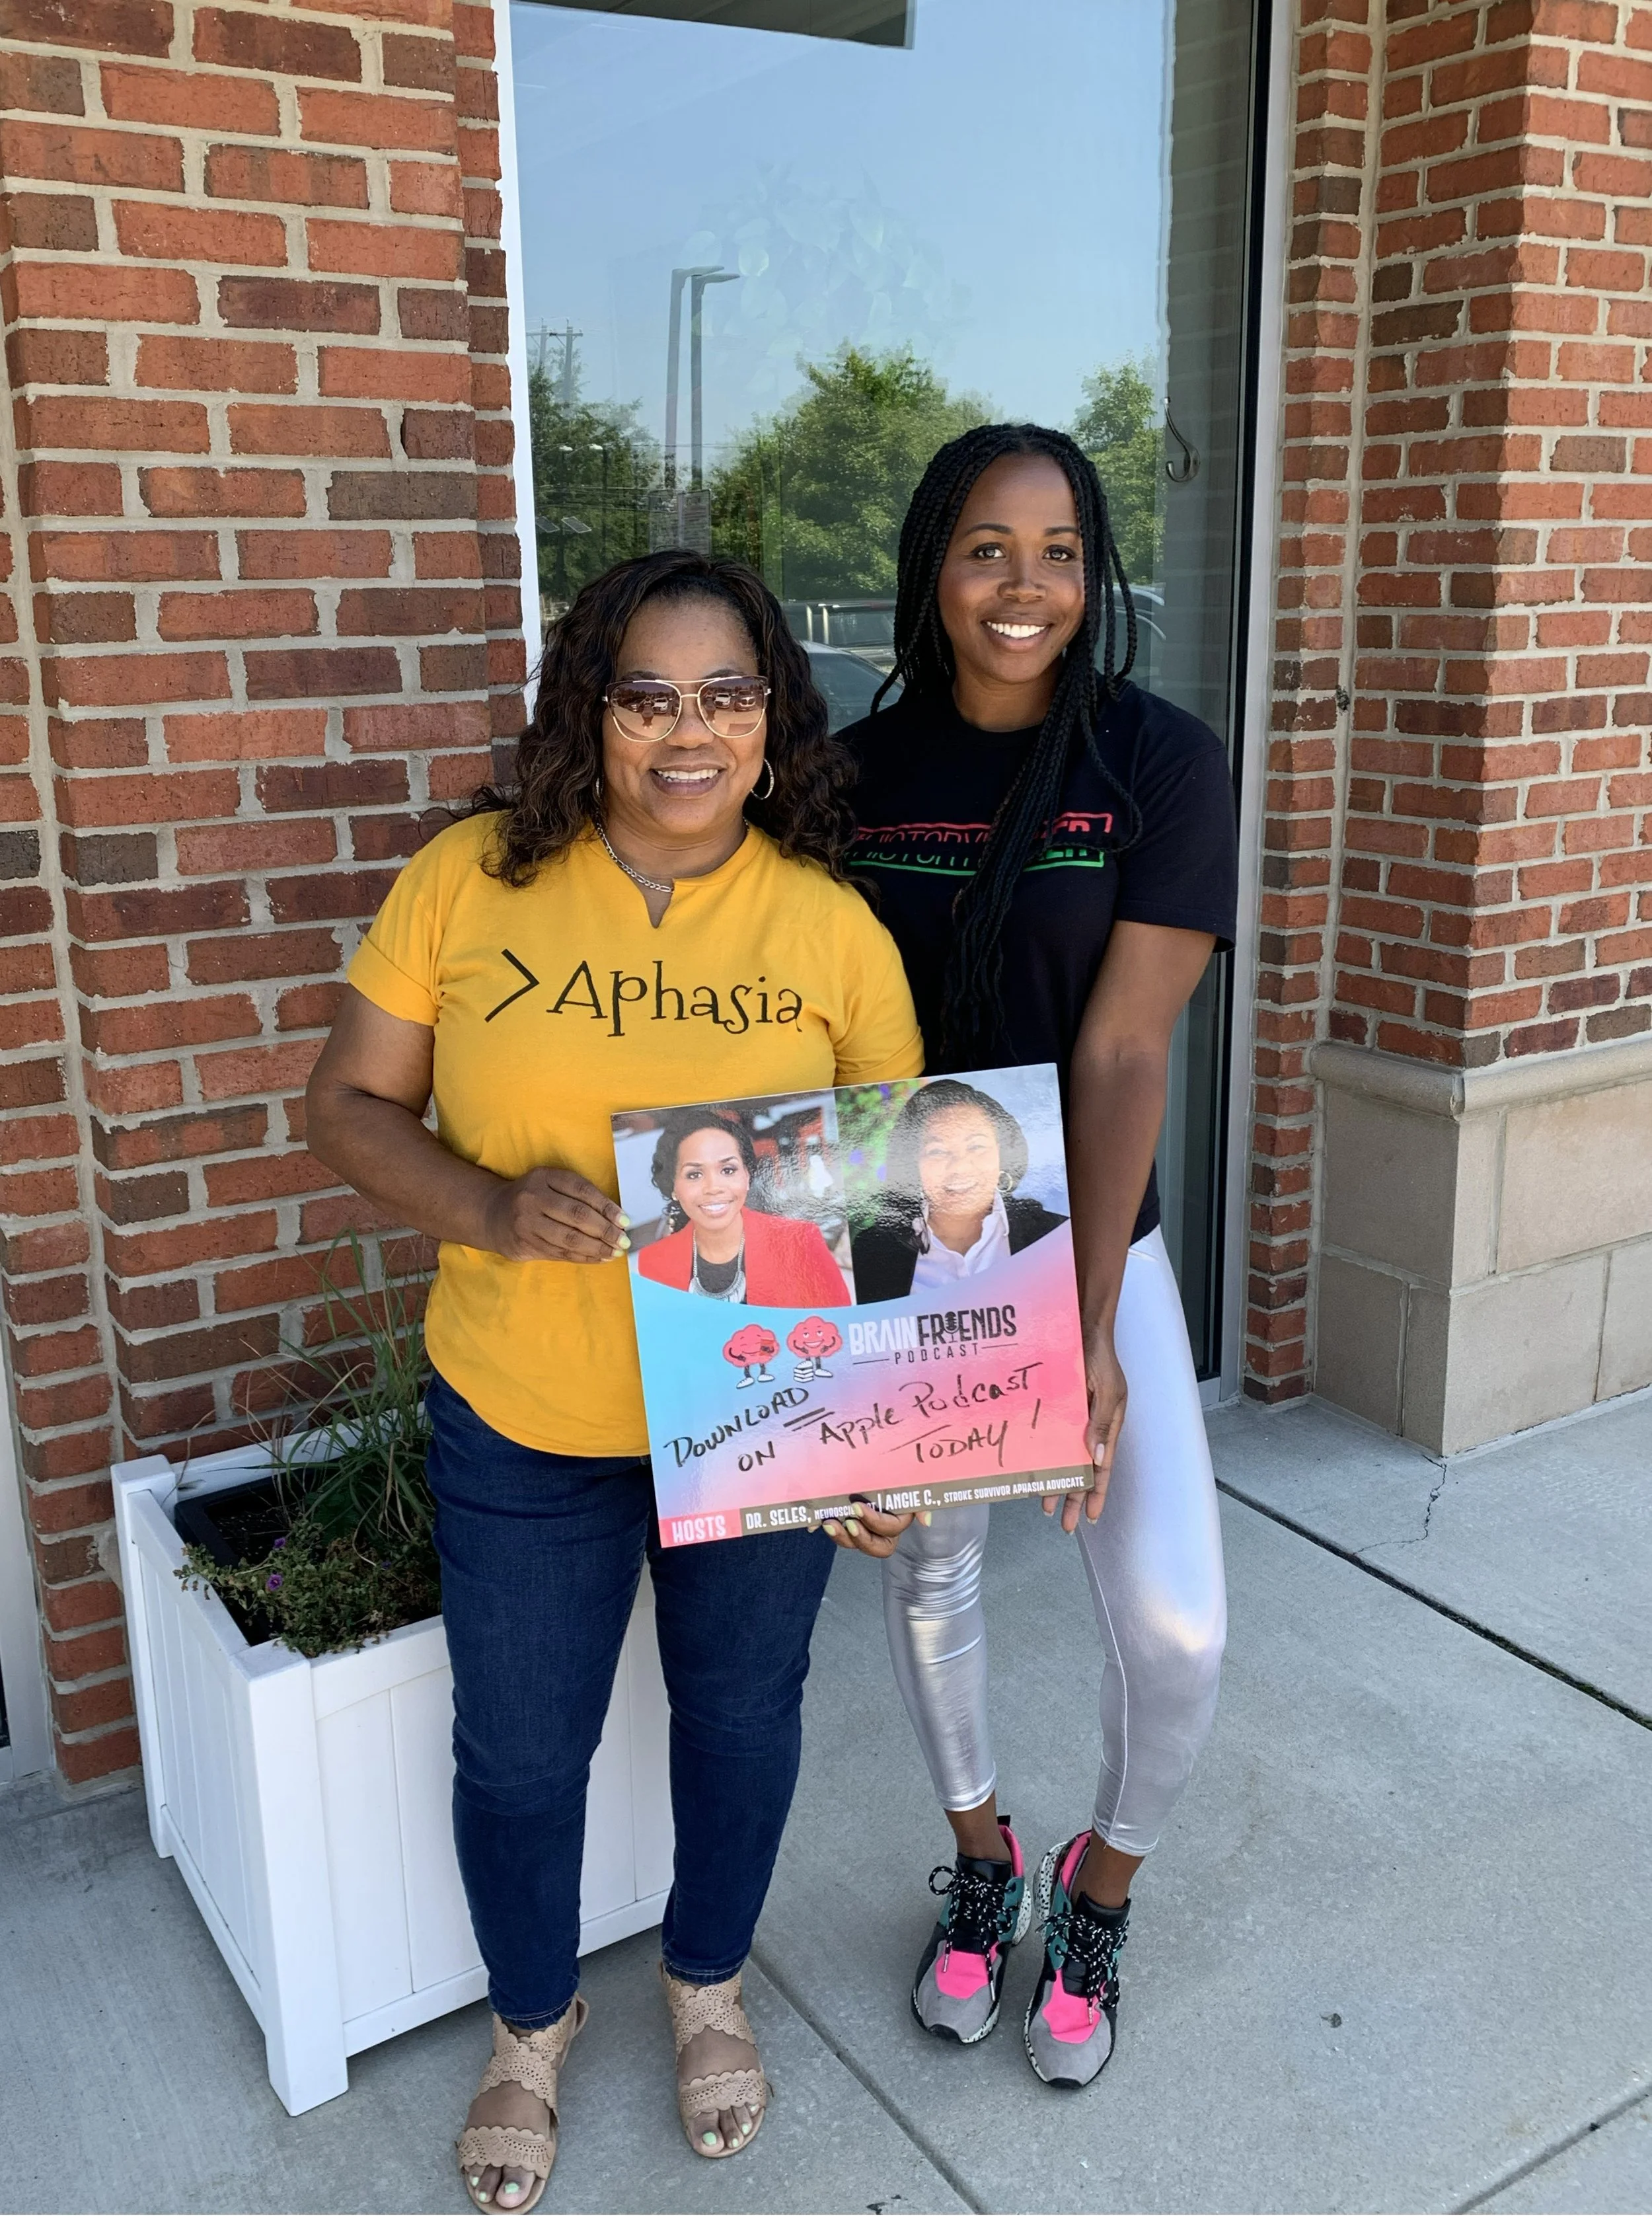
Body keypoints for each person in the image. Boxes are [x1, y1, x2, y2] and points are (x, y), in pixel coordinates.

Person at [304, 548, 921, 2211]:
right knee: (516, 1755)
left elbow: (893, 1217)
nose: (688, 731)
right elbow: (345, 1109)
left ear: (774, 721)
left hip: (756, 1421)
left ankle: (705, 1983)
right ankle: (528, 2027)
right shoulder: (468, 883)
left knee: (740, 1719)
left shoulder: (834, 931)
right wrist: (493, 1204)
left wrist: (886, 1434)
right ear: (593, 711)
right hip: (525, 1417)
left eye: (726, 695)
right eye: (648, 694)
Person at [827, 424, 1238, 2088]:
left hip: (1091, 1236)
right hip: (906, 1239)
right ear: (934, 563)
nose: (1025, 586)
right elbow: (808, 1044)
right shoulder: (848, 777)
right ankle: (986, 1861)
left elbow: (1127, 1052)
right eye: (987, 547)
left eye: (1061, 550)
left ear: (1096, 574)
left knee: (1179, 1625)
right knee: (929, 1570)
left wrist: (1088, 1336)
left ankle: (1101, 1884)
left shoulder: (1157, 760)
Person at [850, 1077, 1065, 1303]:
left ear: (1003, 1154)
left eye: (976, 1146)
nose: (959, 1166)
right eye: (937, 1151)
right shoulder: (872, 1252)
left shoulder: (1054, 1235)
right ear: (913, 1165)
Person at [638, 1106, 850, 1305]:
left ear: (747, 1175)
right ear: (673, 1188)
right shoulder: (652, 1262)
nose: (714, 1187)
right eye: (694, 1174)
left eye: (728, 1170)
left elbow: (841, 1328)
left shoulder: (802, 1242)